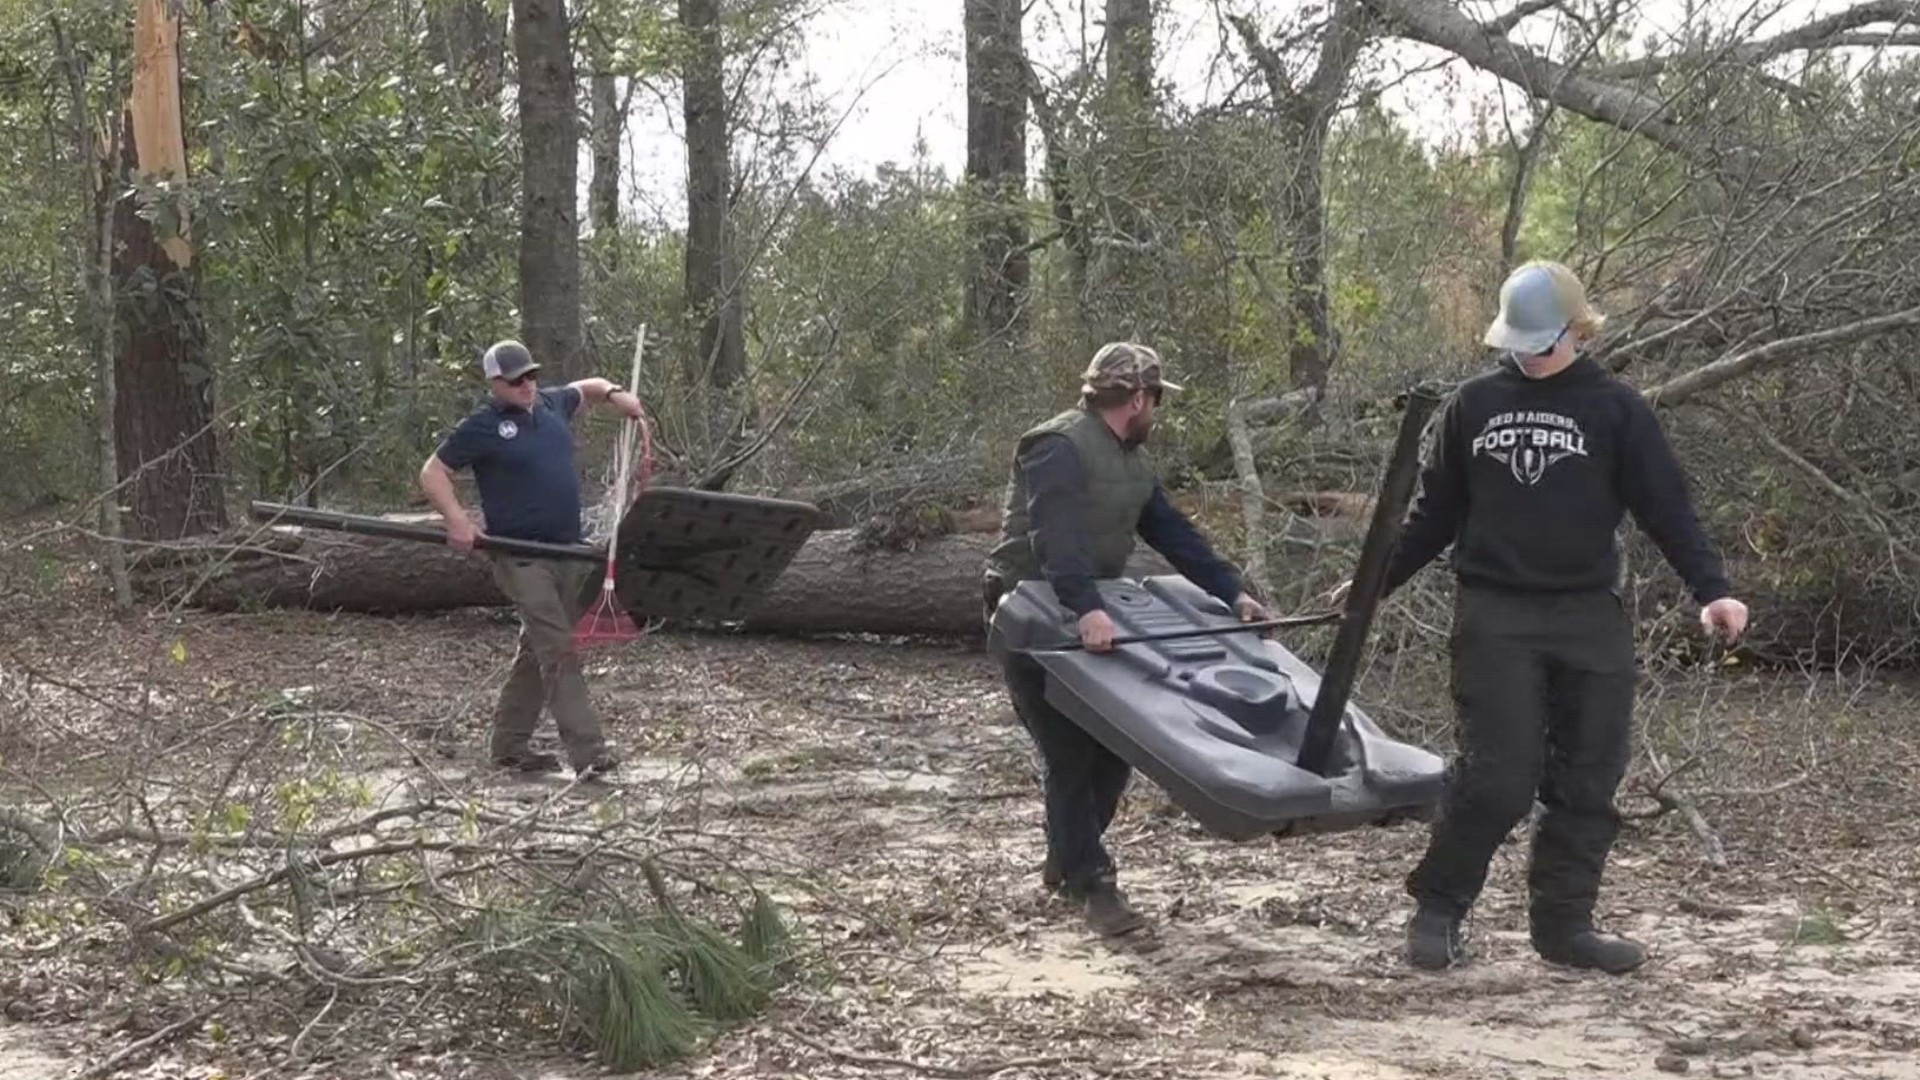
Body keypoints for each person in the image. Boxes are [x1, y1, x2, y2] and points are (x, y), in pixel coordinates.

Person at [1345, 262, 1749, 974]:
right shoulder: (1473, 405)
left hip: (1588, 613)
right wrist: (1371, 585)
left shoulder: (1617, 409)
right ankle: (1438, 909)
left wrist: (1711, 589)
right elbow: (1433, 514)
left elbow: (1666, 508)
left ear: (1576, 329)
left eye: (1540, 341)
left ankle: (1565, 930)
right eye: (1517, 342)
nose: (1526, 354)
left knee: (1589, 780)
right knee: (1499, 776)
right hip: (1496, 611)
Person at [982, 342, 1272, 937]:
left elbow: (1175, 534)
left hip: (1097, 616)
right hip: (1032, 612)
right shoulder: (1057, 446)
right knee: (1067, 750)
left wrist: (1231, 590)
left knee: (1112, 750)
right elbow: (1053, 536)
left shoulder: (1133, 465)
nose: (1156, 413)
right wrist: (1085, 607)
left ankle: (1067, 857)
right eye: (1156, 401)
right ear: (1138, 398)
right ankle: (1093, 883)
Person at [419, 339, 646, 779]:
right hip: (520, 557)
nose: (527, 385)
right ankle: (589, 751)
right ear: (494, 383)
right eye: (515, 380)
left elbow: (593, 388)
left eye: (531, 375)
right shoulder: (482, 427)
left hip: (567, 553)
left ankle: (508, 746)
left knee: (538, 648)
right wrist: (457, 520)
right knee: (559, 647)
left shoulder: (553, 403)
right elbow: (433, 471)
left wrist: (619, 396)